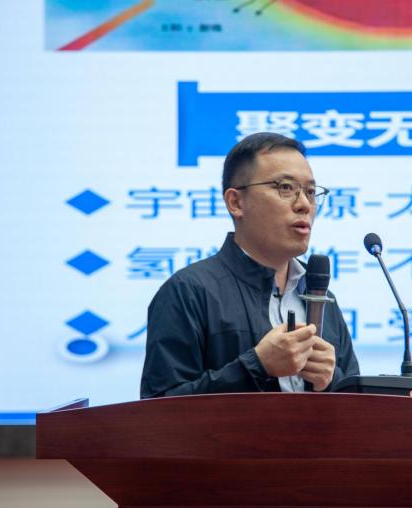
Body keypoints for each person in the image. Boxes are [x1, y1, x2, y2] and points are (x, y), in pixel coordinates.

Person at [140, 132, 359, 398]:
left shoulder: (320, 297)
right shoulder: (189, 291)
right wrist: (257, 366)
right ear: (236, 202)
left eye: (311, 192)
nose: (304, 204)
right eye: (285, 187)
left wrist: (331, 379)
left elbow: (358, 406)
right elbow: (159, 408)